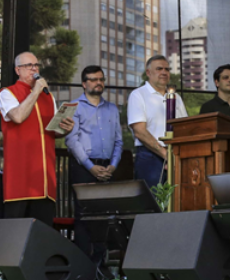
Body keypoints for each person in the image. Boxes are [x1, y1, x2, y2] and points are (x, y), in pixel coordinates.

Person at [0, 52, 74, 227]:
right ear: (18, 70)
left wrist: (65, 129)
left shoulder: (48, 97)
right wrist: (36, 91)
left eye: (36, 65)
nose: (34, 69)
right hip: (20, 176)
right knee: (15, 230)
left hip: (44, 177)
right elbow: (18, 117)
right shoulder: (6, 93)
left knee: (42, 232)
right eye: (28, 66)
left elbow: (52, 131)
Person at [127, 55, 187, 187]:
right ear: (148, 72)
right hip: (149, 156)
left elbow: (185, 128)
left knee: (176, 201)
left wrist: (177, 156)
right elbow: (139, 132)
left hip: (175, 154)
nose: (164, 72)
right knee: (153, 203)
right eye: (159, 69)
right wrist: (165, 154)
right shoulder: (138, 95)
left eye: (167, 69)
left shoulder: (176, 97)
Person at [65, 65, 123, 185]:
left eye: (101, 79)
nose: (99, 82)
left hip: (108, 169)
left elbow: (118, 141)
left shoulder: (112, 109)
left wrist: (113, 165)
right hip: (83, 168)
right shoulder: (73, 106)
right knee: (84, 204)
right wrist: (90, 166)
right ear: (84, 84)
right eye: (93, 80)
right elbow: (71, 140)